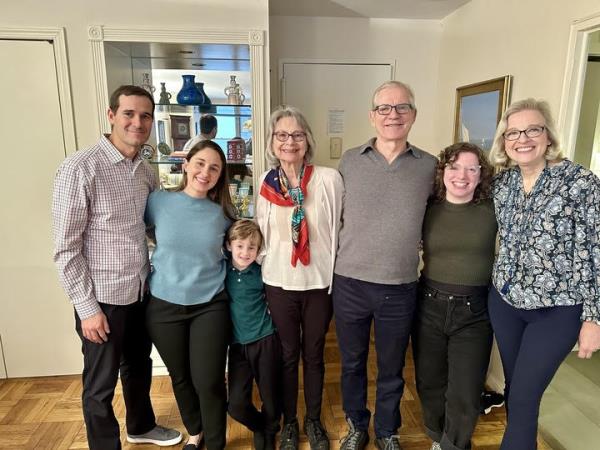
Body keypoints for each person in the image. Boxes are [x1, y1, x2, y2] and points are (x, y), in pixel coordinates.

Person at [52, 85, 182, 450]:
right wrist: (87, 309)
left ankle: (141, 426)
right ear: (111, 115)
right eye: (129, 114)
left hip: (140, 290)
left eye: (145, 116)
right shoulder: (80, 168)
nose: (137, 122)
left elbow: (153, 227)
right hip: (102, 299)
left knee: (138, 365)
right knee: (100, 384)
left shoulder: (144, 170)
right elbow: (65, 249)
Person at [488, 98, 600, 449]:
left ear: (548, 135)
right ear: (504, 142)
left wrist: (593, 319)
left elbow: (593, 252)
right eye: (513, 133)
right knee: (516, 390)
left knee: (522, 396)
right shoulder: (503, 184)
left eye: (532, 129)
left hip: (557, 311)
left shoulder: (580, 183)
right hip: (505, 304)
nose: (523, 138)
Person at [333, 80, 437, 450]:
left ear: (413, 115)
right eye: (384, 108)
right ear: (372, 116)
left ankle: (387, 430)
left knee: (392, 368)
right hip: (349, 282)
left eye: (401, 107)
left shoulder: (430, 167)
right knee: (352, 364)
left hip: (400, 285)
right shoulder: (349, 160)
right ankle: (357, 425)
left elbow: (438, 217)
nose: (393, 115)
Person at [255, 105, 343, 450]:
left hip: (319, 283)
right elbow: (262, 235)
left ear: (307, 141)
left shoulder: (328, 179)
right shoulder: (266, 182)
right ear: (272, 142)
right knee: (288, 355)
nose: (289, 141)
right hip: (279, 283)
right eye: (282, 135)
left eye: (297, 134)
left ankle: (314, 421)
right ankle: (290, 422)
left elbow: (339, 228)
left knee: (315, 354)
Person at [144, 140, 235, 450]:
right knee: (180, 376)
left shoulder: (223, 214)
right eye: (200, 164)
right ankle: (196, 432)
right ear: (186, 164)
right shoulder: (158, 202)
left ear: (220, 176)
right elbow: (137, 231)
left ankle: (216, 441)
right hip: (163, 306)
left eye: (214, 168)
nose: (205, 172)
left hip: (210, 306)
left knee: (208, 380)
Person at [412, 142, 497, 450]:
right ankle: (438, 437)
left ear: (481, 174)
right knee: (429, 382)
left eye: (471, 168)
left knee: (465, 389)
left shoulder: (492, 210)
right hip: (428, 305)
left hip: (474, 313)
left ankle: (454, 445)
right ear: (443, 171)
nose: (462, 176)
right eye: (454, 167)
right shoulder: (427, 208)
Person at [225, 219, 282, 450]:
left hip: (265, 339)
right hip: (238, 346)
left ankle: (271, 431)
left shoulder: (262, 273)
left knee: (270, 394)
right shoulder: (222, 271)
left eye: (252, 247)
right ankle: (260, 425)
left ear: (258, 250)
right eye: (240, 246)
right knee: (236, 404)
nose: (245, 252)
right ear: (229, 246)